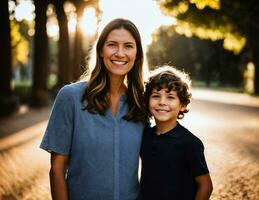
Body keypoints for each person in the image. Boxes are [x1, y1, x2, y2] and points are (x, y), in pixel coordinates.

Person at [40, 18, 147, 200]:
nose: (120, 53)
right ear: (100, 51)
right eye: (112, 45)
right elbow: (57, 170)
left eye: (128, 46)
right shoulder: (70, 97)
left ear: (137, 54)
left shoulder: (141, 103)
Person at [140, 66, 213, 200]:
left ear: (183, 105)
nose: (162, 102)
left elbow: (206, 186)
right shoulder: (144, 136)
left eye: (170, 97)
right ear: (146, 101)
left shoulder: (190, 143)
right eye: (156, 96)